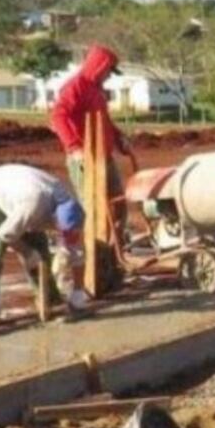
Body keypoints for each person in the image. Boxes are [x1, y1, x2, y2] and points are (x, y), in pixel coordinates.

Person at [50, 44, 133, 292]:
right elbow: (58, 116)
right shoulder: (75, 86)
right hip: (84, 159)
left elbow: (104, 122)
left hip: (104, 157)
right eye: (107, 71)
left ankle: (110, 262)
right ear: (98, 67)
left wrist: (119, 138)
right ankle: (82, 267)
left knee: (117, 208)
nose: (108, 76)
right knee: (93, 212)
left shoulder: (97, 91)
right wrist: (74, 147)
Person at [0, 164, 85, 330]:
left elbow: (77, 250)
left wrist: (79, 290)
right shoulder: (32, 206)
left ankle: (50, 300)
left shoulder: (70, 205)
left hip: (21, 195)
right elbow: (5, 234)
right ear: (54, 219)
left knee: (40, 245)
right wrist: (27, 252)